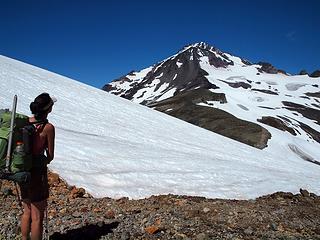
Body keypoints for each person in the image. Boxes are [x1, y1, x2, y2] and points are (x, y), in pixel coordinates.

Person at [20, 93, 56, 240]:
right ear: (48, 108)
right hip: (37, 173)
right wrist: (43, 161)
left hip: (22, 170)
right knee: (37, 216)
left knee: (27, 210)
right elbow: (50, 155)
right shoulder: (48, 127)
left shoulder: (25, 122)